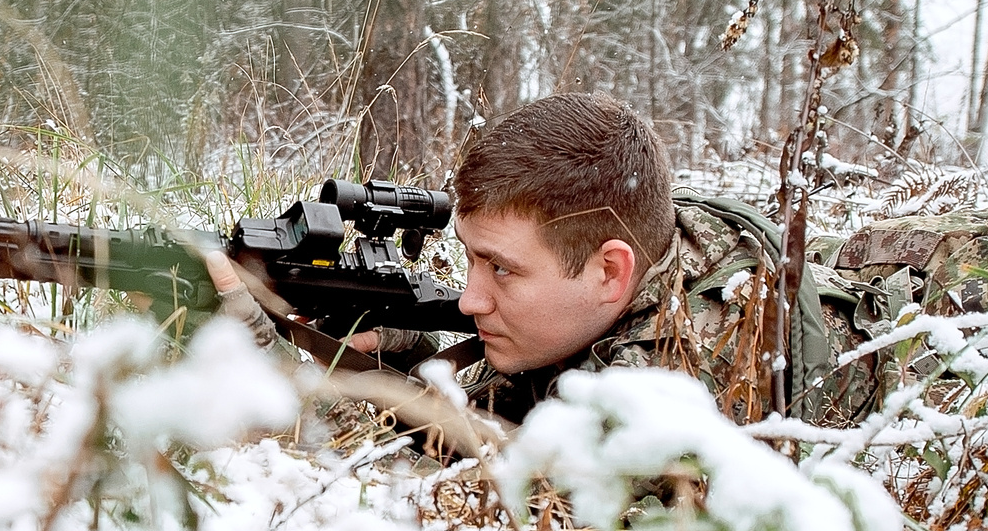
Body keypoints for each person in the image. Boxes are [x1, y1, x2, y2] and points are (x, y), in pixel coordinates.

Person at [220, 93, 879, 427]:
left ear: (611, 272)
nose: (472, 301)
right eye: (471, 263)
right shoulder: (606, 265)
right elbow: (483, 410)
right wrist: (403, 356)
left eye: (502, 269)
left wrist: (272, 362)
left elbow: (481, 512)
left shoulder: (679, 378)